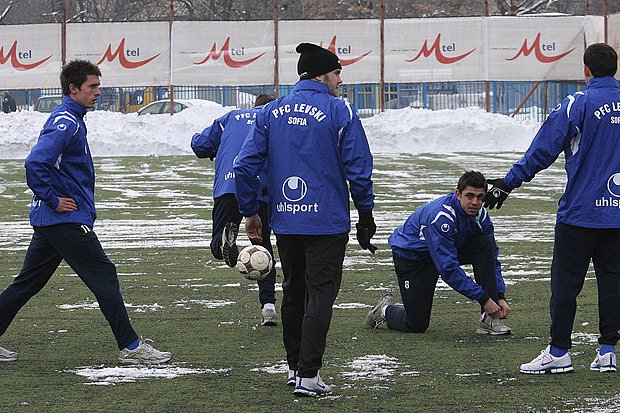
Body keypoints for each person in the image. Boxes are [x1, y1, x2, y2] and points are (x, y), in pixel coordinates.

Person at [0, 60, 170, 364]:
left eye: (99, 86)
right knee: (104, 274)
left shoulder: (72, 118)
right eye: (92, 87)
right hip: (64, 219)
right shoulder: (66, 121)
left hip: (53, 222)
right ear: (73, 89)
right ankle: (131, 346)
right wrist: (52, 199)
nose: (98, 92)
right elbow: (35, 163)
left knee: (27, 283)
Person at [234, 43, 376, 397]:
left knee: (294, 293)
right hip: (326, 222)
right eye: (338, 73)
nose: (341, 80)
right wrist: (366, 214)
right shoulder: (340, 110)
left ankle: (295, 368)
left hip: (286, 220)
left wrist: (250, 211)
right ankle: (310, 377)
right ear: (321, 74)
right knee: (320, 295)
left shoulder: (270, 112)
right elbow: (358, 168)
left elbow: (244, 166)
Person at [484, 43, 620, 374]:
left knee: (565, 285)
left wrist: (509, 181)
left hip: (580, 213)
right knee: (613, 282)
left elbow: (543, 150)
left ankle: (559, 352)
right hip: (617, 215)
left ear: (586, 70)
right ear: (614, 69)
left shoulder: (578, 103)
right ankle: (607, 352)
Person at [367, 171, 511, 336]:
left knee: (484, 245)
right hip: (413, 258)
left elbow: (492, 260)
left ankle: (489, 319)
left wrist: (499, 296)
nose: (475, 202)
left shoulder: (481, 217)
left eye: (480, 197)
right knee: (416, 324)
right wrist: (483, 298)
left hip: (445, 249)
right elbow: (448, 269)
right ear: (458, 194)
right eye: (469, 196)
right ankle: (384, 310)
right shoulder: (441, 216)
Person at [190, 93, 279, 326]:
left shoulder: (230, 117)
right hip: (259, 187)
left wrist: (214, 148)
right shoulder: (274, 118)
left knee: (217, 246)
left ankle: (222, 241)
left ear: (254, 105)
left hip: (228, 185)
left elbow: (199, 145)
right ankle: (268, 307)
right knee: (262, 248)